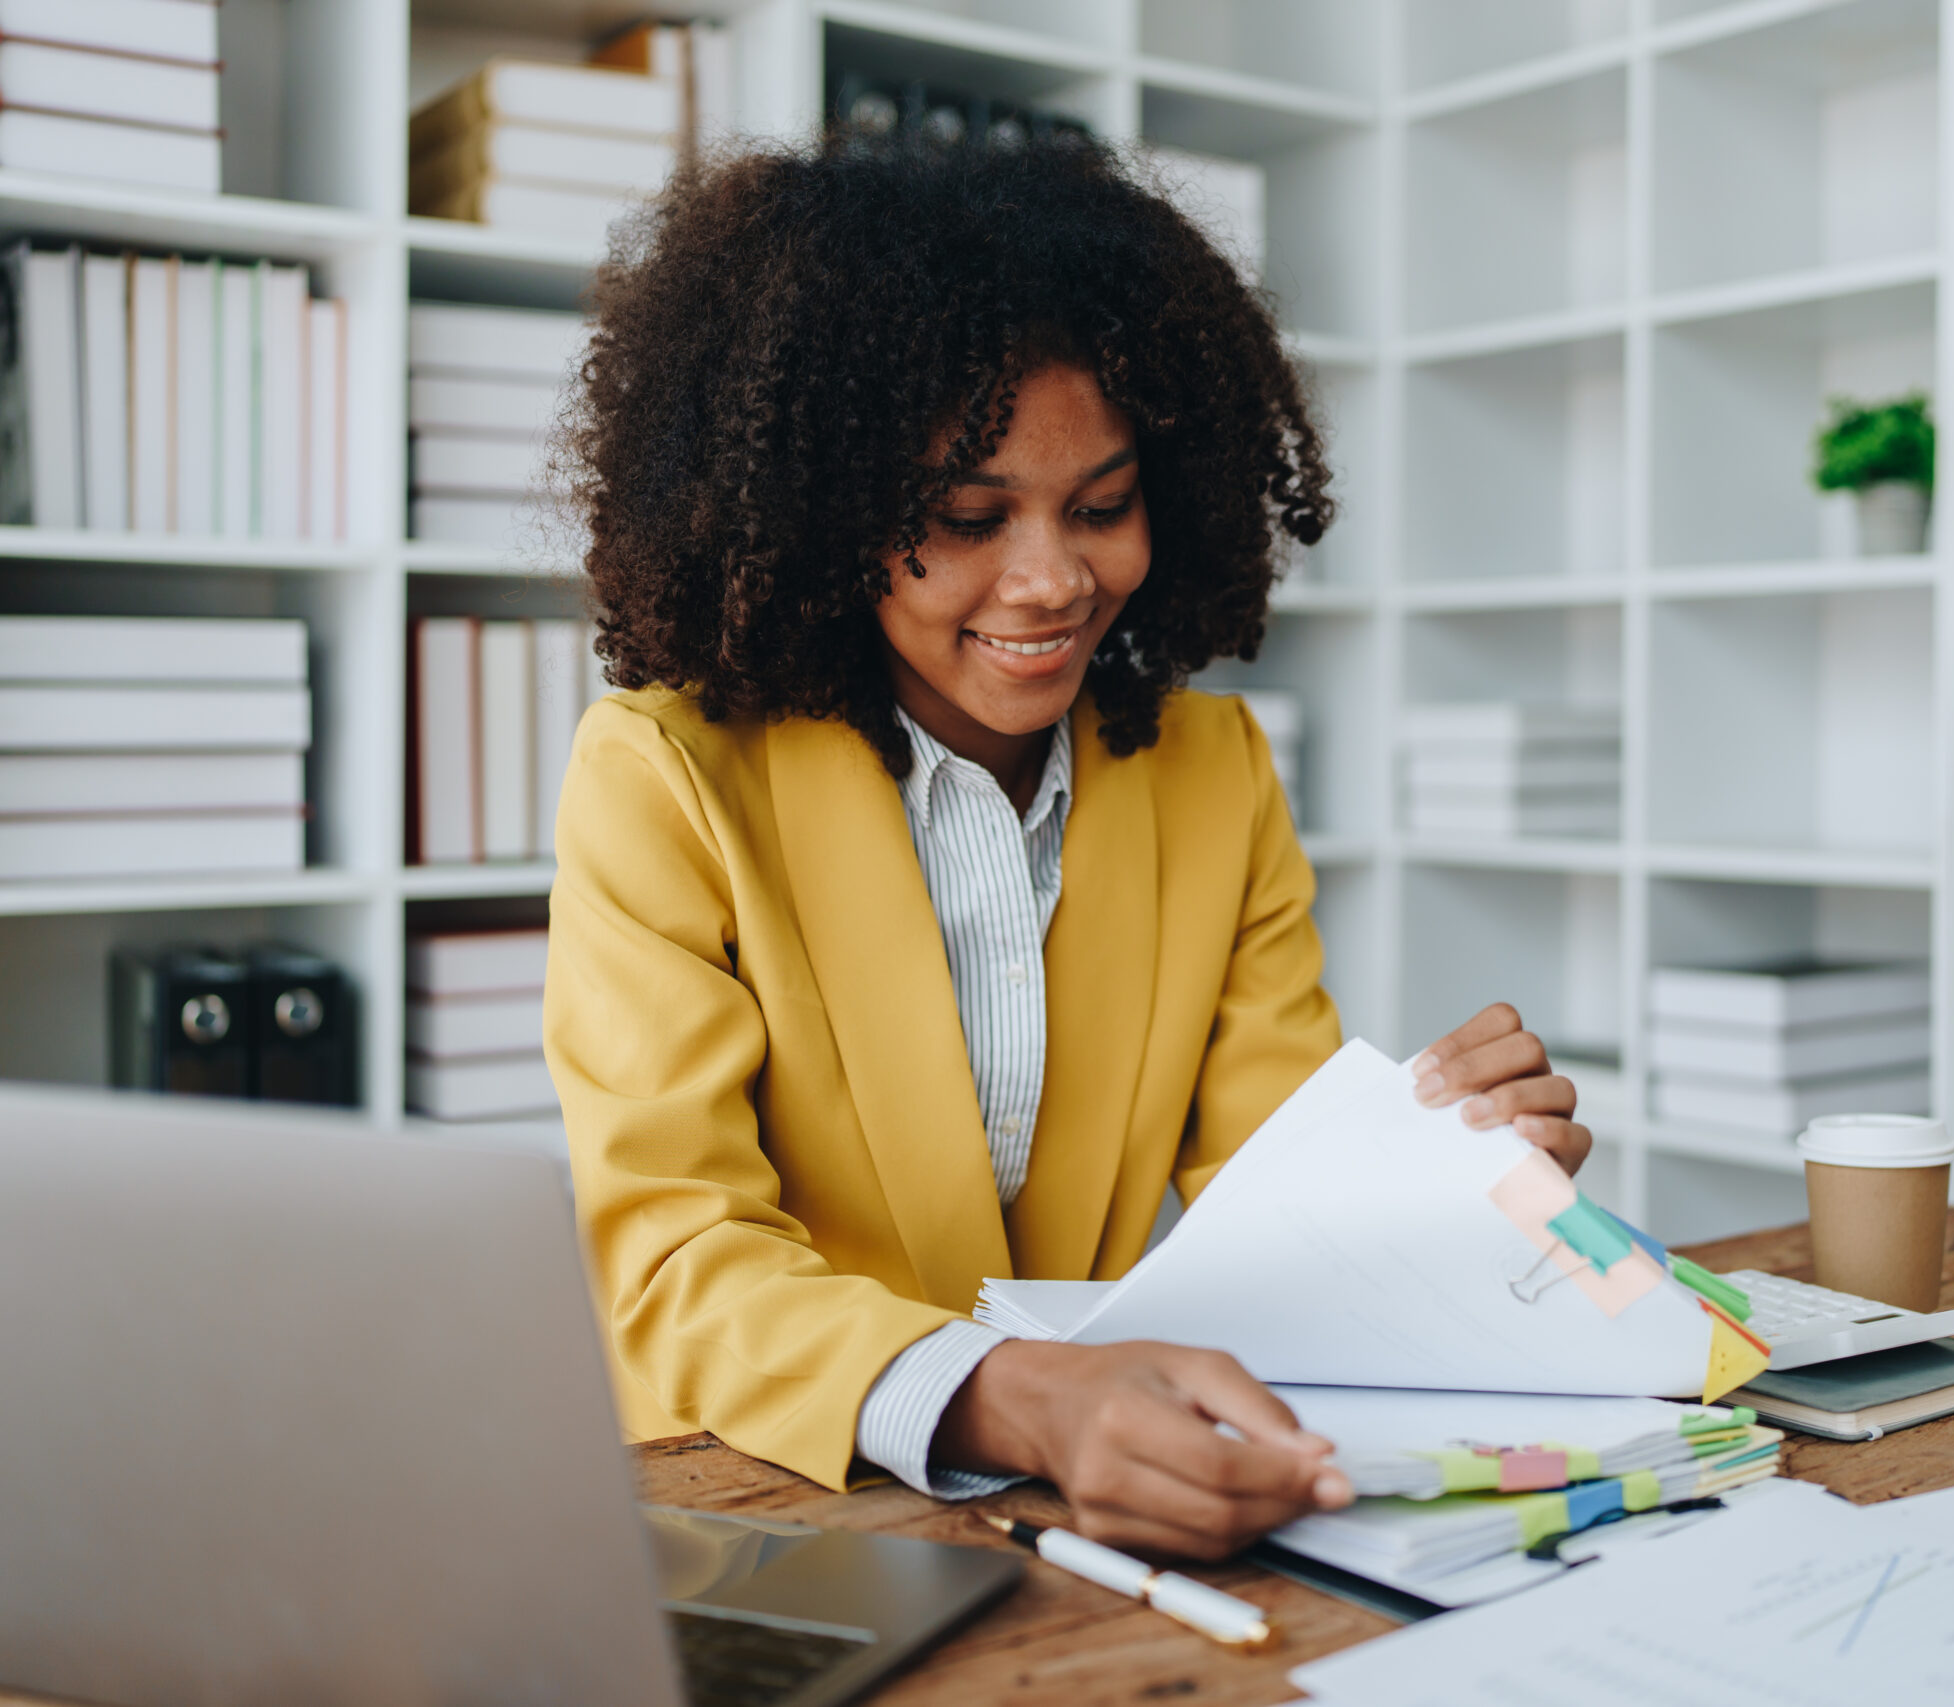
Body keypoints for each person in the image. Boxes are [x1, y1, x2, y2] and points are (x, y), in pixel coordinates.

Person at [545, 129, 1592, 1560]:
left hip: (1093, 1522)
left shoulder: (1213, 773)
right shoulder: (667, 776)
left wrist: (1440, 1183)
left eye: (1101, 507)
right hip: (762, 1512)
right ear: (819, 516)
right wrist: (1026, 1400)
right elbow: (676, 1258)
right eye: (965, 519)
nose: (1049, 581)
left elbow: (1266, 1198)